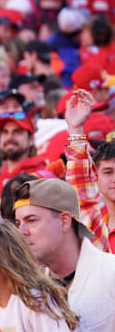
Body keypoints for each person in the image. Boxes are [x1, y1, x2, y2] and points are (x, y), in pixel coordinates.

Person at [14, 177, 115, 332]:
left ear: (64, 221)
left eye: (31, 220)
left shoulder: (110, 272)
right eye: (18, 223)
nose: (22, 232)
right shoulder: (27, 293)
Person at [65, 89, 115, 252]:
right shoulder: (95, 225)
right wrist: (75, 129)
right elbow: (80, 185)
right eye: (108, 172)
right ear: (96, 177)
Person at [0, 111, 46, 209]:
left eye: (17, 132)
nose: (9, 137)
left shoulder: (43, 178)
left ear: (31, 139)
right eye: (5, 132)